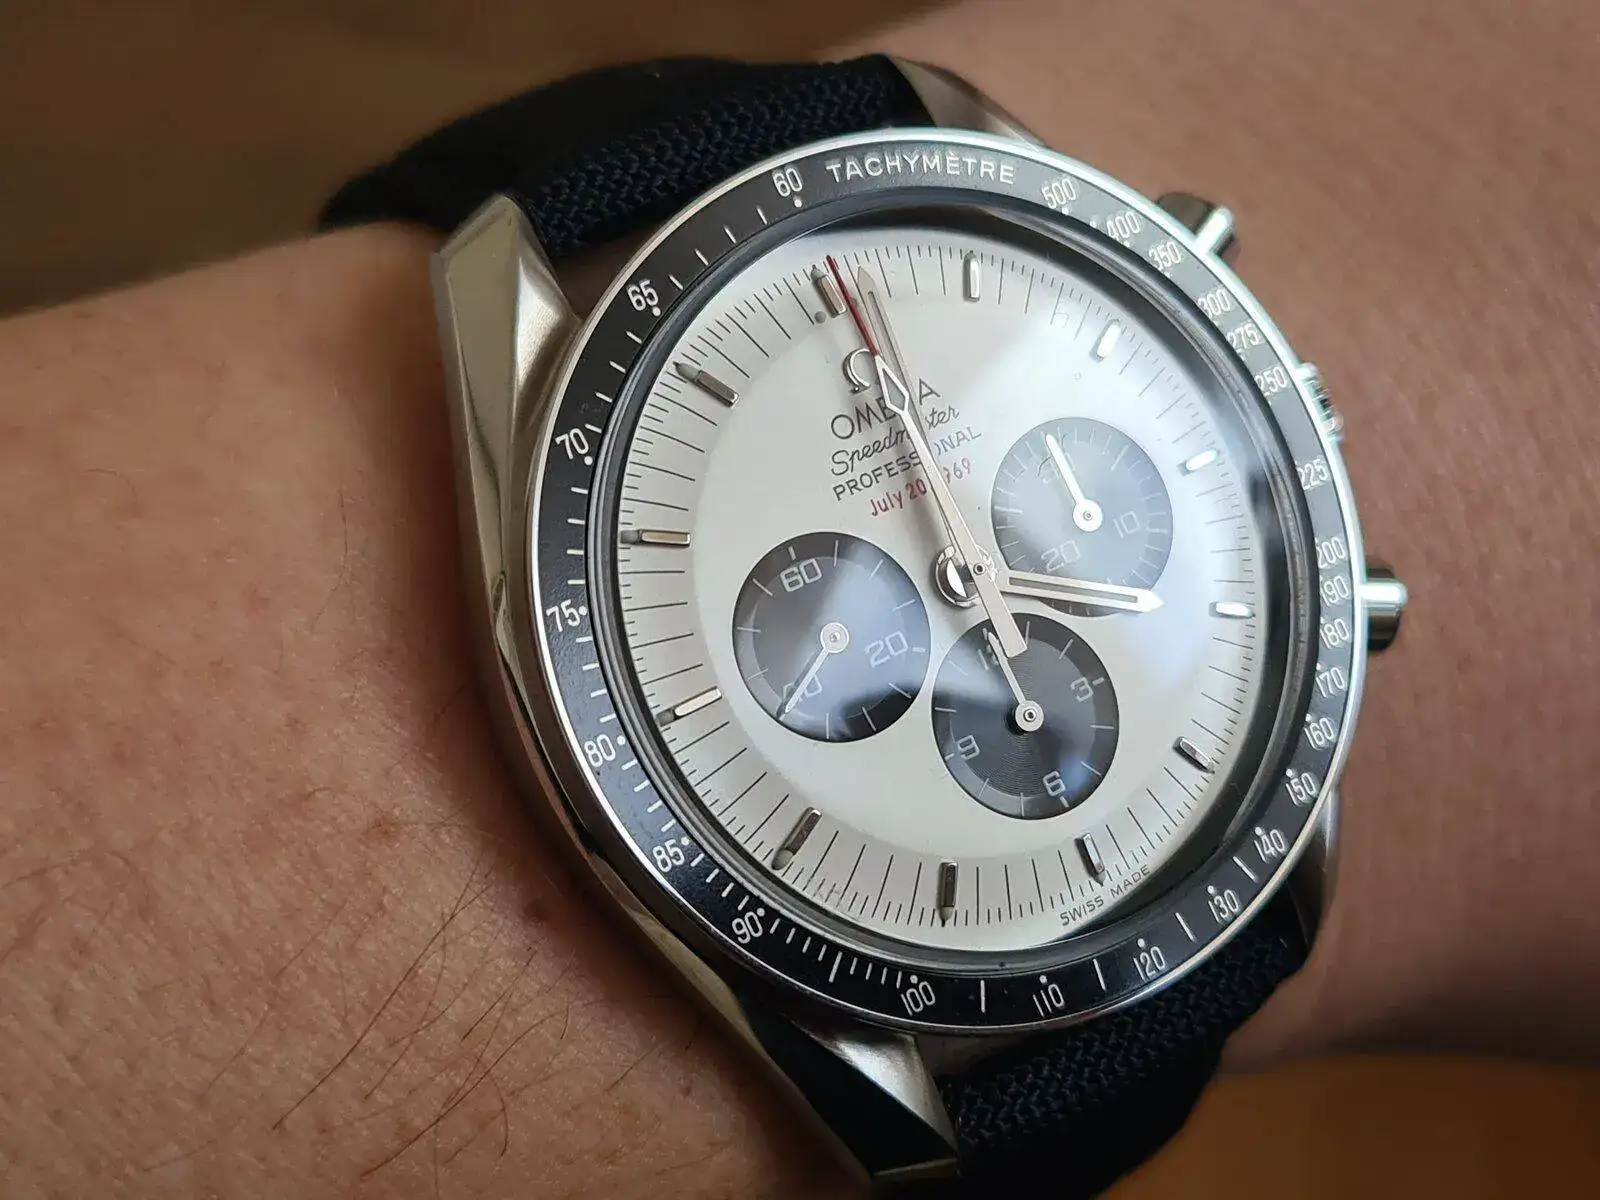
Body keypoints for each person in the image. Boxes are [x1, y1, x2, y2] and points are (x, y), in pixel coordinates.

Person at [1, 1, 1595, 1195]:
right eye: (968, 577)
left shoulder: (1261, 845)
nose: (967, 579)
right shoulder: (535, 275)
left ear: (1348, 600)